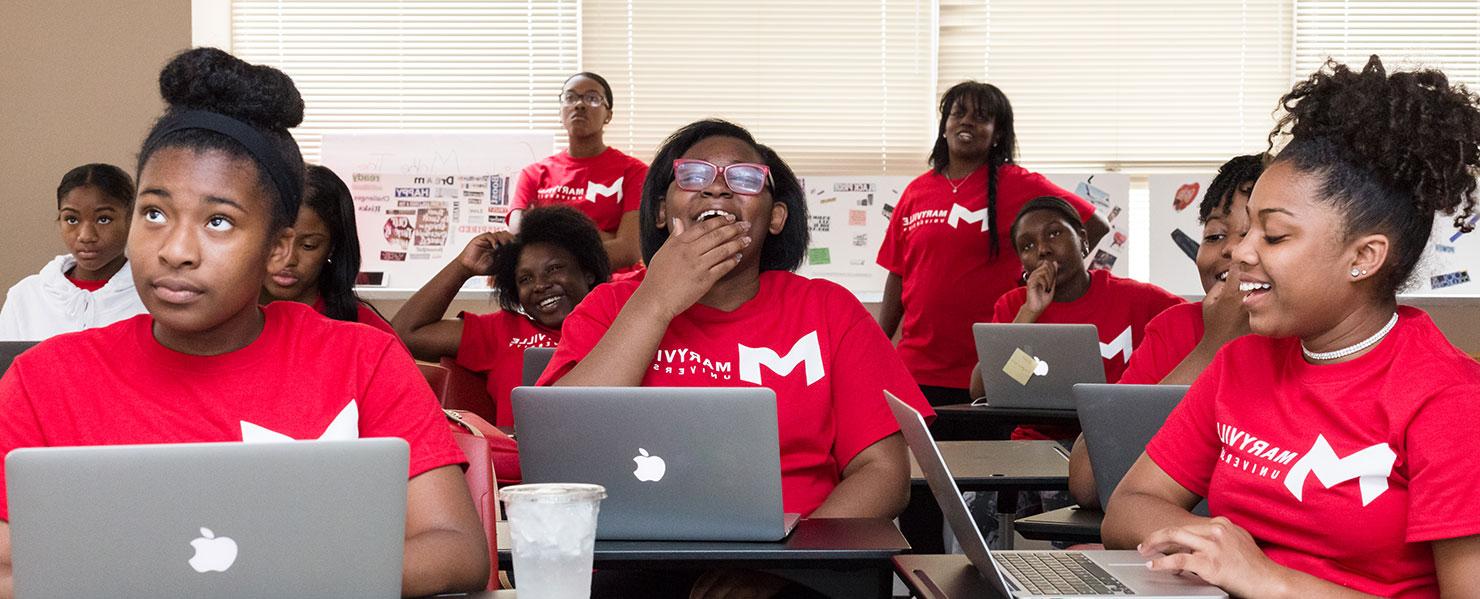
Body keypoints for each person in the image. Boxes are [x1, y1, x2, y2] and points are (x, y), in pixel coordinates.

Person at [0, 48, 488, 598]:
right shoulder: (43, 380)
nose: (176, 250)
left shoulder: (361, 360)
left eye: (218, 221)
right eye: (155, 213)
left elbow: (456, 548)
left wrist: (271, 579)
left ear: (277, 248)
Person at [1104, 56, 1480, 597]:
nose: (1240, 251)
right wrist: (1218, 547)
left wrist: (1267, 578)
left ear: (1364, 257)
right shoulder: (1241, 362)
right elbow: (1129, 506)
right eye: (1244, 228)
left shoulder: (1450, 400)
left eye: (1273, 236)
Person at [539, 119, 934, 598]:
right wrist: (656, 300)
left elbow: (886, 475)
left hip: (802, 564)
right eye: (695, 176)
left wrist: (777, 567)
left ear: (775, 217)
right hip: (632, 560)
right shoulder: (607, 307)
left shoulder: (829, 310)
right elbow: (562, 450)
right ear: (662, 210)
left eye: (745, 179)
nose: (719, 191)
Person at [878, 81, 1111, 407]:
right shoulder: (916, 191)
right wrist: (879, 347)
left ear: (997, 133)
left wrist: (1039, 276)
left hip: (986, 368)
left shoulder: (1018, 183)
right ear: (945, 127)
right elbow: (898, 273)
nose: (966, 122)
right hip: (916, 369)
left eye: (981, 117)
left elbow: (1093, 224)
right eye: (957, 114)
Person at [1066, 153, 1265, 508]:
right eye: (1215, 234)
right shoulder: (1174, 328)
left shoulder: (1319, 340)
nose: (1233, 249)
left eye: (1263, 234)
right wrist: (1212, 346)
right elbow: (1088, 481)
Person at [970, 196, 1184, 440]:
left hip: (1118, 437)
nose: (1043, 250)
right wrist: (1029, 312)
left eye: (1054, 234)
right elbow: (979, 391)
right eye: (1027, 246)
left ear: (1083, 240)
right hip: (1035, 443)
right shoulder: (1013, 306)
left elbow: (1206, 323)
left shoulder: (1137, 298)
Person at [392, 205, 611, 426]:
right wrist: (462, 268)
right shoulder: (501, 331)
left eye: (554, 269)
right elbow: (405, 334)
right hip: (521, 457)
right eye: (525, 279)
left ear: (588, 272)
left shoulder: (623, 323)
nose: (540, 285)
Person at [510, 72, 647, 273]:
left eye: (592, 98)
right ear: (560, 111)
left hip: (615, 288)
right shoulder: (532, 175)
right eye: (571, 97)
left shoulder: (635, 172)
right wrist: (603, 236)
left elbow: (628, 250)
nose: (580, 105)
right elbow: (519, 239)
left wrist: (549, 234)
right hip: (549, 290)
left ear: (608, 114)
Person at [0, 163, 148, 340]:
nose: (86, 236)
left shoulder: (151, 297)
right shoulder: (25, 297)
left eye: (103, 219)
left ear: (131, 219)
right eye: (71, 219)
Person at [260, 164, 395, 335]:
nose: (288, 259)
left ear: (332, 248)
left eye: (309, 245)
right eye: (276, 241)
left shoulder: (368, 334)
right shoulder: (222, 322)